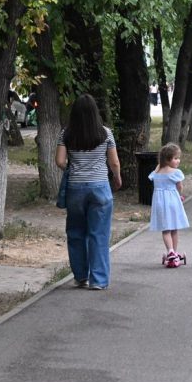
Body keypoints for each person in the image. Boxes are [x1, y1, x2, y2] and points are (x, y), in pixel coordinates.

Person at [56, 94, 122, 290]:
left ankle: (80, 277)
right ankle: (99, 281)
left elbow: (59, 161)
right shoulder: (106, 133)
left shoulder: (66, 134)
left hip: (75, 188)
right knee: (99, 234)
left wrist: (73, 168)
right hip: (100, 187)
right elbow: (114, 162)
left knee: (76, 233)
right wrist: (117, 177)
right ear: (95, 112)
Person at [149, 142, 190, 268]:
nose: (178, 161)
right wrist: (180, 195)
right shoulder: (175, 172)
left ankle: (170, 251)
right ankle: (174, 252)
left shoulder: (157, 172)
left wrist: (160, 164)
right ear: (167, 159)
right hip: (172, 201)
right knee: (174, 227)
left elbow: (153, 174)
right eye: (175, 158)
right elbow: (179, 186)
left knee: (166, 229)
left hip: (159, 202)